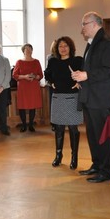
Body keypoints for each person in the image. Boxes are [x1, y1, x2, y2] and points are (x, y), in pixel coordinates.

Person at [71, 11, 110, 183]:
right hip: (90, 97)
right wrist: (81, 77)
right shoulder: (92, 43)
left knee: (102, 135)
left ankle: (106, 171)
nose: (82, 29)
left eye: (84, 24)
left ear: (93, 24)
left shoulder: (106, 43)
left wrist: (87, 75)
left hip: (101, 99)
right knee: (92, 134)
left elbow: (109, 71)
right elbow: (91, 69)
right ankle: (97, 165)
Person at [44, 36, 83, 170]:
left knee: (73, 128)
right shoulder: (53, 61)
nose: (63, 48)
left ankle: (74, 157)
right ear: (57, 48)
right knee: (59, 128)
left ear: (70, 47)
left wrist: (79, 82)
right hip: (58, 98)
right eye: (60, 46)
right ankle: (58, 155)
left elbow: (85, 74)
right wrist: (52, 82)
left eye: (65, 46)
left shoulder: (77, 61)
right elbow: (47, 74)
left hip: (72, 98)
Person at [12, 43, 43, 132]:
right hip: (23, 87)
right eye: (26, 49)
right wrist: (24, 76)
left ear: (32, 50)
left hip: (33, 87)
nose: (28, 50)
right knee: (22, 106)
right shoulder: (19, 62)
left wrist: (35, 77)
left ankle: (30, 125)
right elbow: (14, 75)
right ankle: (24, 125)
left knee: (32, 106)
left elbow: (40, 75)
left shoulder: (36, 61)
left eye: (30, 49)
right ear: (23, 51)